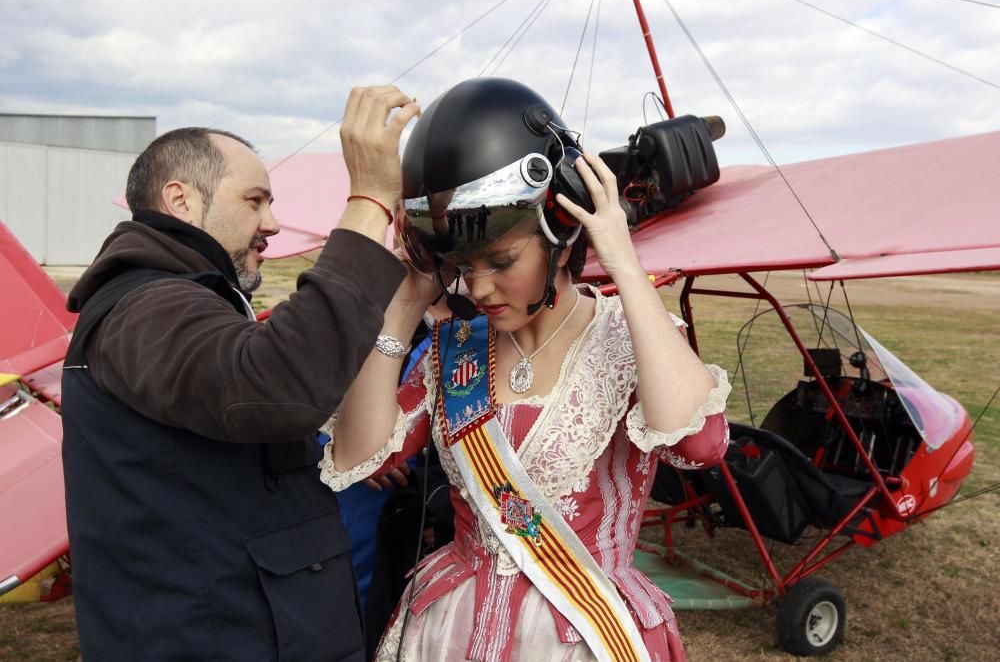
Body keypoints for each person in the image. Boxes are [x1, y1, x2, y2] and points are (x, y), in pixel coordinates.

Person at [318, 78, 731, 661]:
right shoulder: (455, 350)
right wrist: (405, 303)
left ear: (560, 231)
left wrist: (622, 260)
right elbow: (360, 458)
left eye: (501, 260)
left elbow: (700, 444)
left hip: (581, 635)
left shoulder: (627, 337)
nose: (478, 287)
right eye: (462, 265)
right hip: (453, 630)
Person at [60, 85, 419, 661]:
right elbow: (279, 387)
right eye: (255, 200)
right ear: (180, 199)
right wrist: (370, 199)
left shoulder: (178, 300)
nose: (272, 223)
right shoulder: (144, 306)